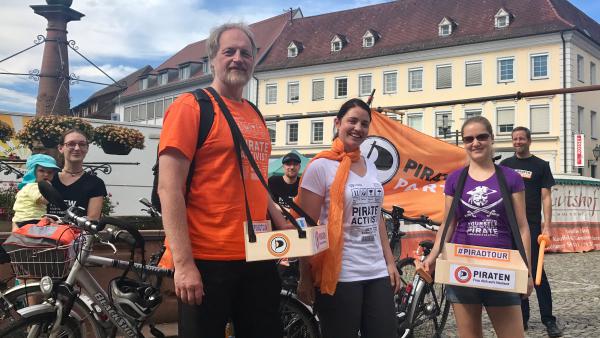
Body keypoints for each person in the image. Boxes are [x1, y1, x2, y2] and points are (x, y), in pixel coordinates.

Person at [157, 23, 288, 338]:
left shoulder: (255, 114)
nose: (238, 59)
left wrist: (282, 225)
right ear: (212, 59)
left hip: (258, 254)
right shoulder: (191, 107)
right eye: (229, 51)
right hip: (207, 258)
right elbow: (169, 188)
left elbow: (255, 182)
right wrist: (185, 265)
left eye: (246, 53)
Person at [296, 98, 400, 338]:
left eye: (364, 124)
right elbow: (306, 227)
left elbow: (377, 218)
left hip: (375, 271)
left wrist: (390, 262)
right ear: (337, 123)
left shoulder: (369, 164)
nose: (358, 128)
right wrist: (305, 276)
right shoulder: (321, 166)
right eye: (352, 121)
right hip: (340, 275)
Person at [422, 116, 534, 338]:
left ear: (492, 139)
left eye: (482, 137)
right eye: (469, 139)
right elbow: (449, 222)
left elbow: (522, 227)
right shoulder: (455, 179)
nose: (476, 143)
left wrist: (527, 271)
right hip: (462, 266)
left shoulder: (511, 178)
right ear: (463, 143)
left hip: (501, 268)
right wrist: (433, 255)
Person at [501, 126, 562, 337]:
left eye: (521, 138)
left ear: (529, 141)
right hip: (509, 227)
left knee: (537, 274)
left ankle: (548, 320)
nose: (518, 142)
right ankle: (522, 318)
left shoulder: (541, 165)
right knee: (516, 272)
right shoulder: (505, 165)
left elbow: (546, 197)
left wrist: (547, 225)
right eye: (514, 139)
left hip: (533, 226)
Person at [47, 129, 107, 220]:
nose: (77, 148)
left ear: (87, 148)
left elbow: (92, 220)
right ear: (60, 148)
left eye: (82, 144)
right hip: (45, 232)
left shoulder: (95, 183)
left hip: (77, 234)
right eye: (71, 144)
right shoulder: (49, 178)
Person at [11, 154, 60, 231]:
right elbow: (44, 200)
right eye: (41, 170)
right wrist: (49, 189)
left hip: (23, 221)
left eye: (50, 172)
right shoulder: (33, 186)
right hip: (30, 221)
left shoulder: (27, 186)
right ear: (33, 172)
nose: (46, 174)